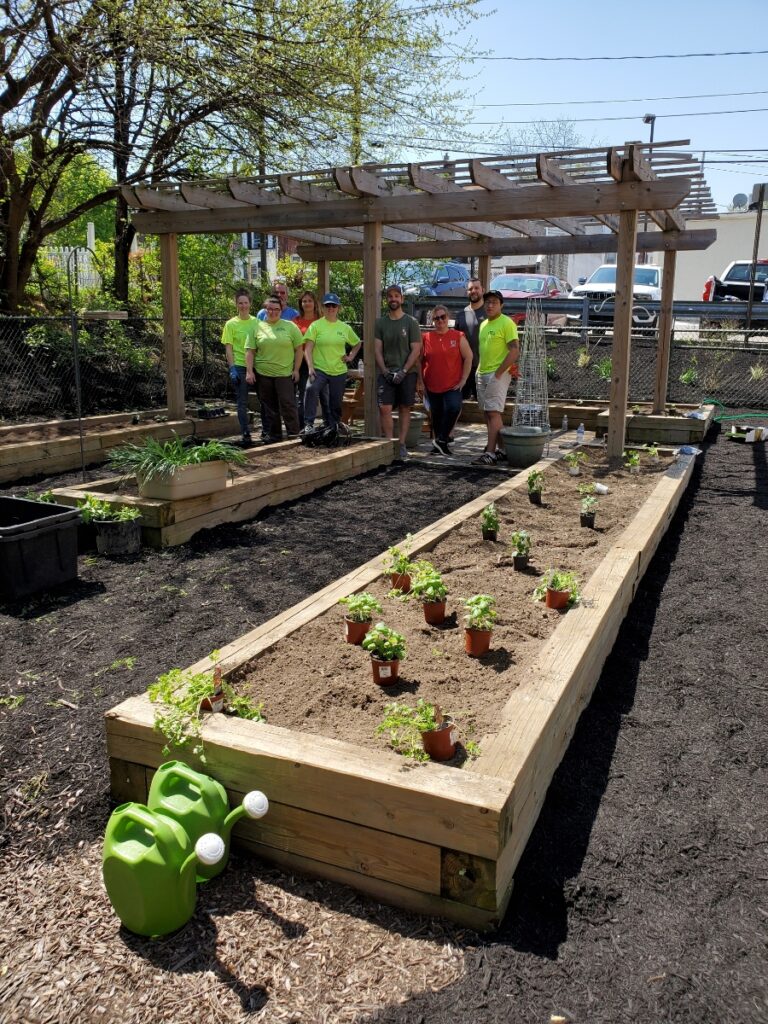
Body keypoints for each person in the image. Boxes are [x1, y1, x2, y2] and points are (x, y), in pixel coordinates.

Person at [374, 284, 422, 461]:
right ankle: (389, 443)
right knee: (384, 407)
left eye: (396, 296)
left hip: (407, 373)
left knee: (404, 407)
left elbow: (416, 349)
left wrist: (403, 371)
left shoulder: (411, 322)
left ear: (402, 299)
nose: (393, 299)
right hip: (386, 372)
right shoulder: (380, 323)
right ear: (387, 299)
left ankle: (401, 444)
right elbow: (377, 349)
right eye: (390, 296)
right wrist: (385, 371)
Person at [246, 295, 303, 441]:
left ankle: (294, 435)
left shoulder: (290, 326)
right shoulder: (256, 327)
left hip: (285, 374)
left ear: (281, 309)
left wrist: (296, 369)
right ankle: (274, 436)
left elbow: (299, 349)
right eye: (269, 309)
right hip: (263, 374)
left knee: (288, 405)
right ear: (265, 309)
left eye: (276, 309)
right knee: (269, 407)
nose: (273, 312)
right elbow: (250, 351)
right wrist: (249, 371)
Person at [473, 289, 519, 466]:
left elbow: (514, 350)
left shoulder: (506, 323)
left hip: (496, 374)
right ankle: (502, 450)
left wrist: (499, 372)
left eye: (494, 302)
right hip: (482, 372)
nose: (490, 305)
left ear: (501, 305)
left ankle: (490, 453)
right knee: (487, 412)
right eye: (487, 302)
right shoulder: (484, 324)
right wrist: (479, 370)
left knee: (493, 412)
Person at [419, 304, 473, 457]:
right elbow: (419, 361)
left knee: (454, 408)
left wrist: (464, 379)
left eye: (443, 317)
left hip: (453, 384)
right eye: (436, 318)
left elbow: (468, 357)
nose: (440, 320)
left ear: (448, 318)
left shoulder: (458, 336)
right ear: (432, 320)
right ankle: (439, 445)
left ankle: (442, 439)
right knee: (436, 414)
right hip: (431, 383)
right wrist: (420, 381)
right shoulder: (426, 337)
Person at [303, 293, 361, 429]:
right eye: (328, 305)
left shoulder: (344, 327)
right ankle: (308, 424)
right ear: (323, 308)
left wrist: (350, 356)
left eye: (333, 305)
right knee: (311, 389)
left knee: (335, 401)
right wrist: (310, 367)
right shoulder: (316, 326)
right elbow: (308, 348)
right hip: (320, 369)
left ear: (338, 308)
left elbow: (357, 343)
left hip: (338, 370)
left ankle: (333, 426)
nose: (331, 308)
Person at [221, 288, 258, 446]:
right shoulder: (231, 324)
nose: (243, 305)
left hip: (257, 365)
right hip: (240, 366)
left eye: (246, 302)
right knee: (242, 402)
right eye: (240, 303)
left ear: (250, 304)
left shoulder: (257, 322)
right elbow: (228, 348)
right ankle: (245, 432)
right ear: (236, 305)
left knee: (265, 399)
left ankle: (268, 430)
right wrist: (232, 368)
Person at [292, 290, 328, 429]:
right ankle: (304, 428)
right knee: (303, 397)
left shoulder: (322, 320)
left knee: (325, 396)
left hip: (319, 362)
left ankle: (328, 426)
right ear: (301, 304)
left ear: (315, 303)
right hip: (301, 363)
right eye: (304, 301)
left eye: (310, 301)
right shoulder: (295, 321)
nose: (307, 303)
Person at [454, 276, 485, 402]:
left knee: (485, 407)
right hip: (465, 369)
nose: (473, 291)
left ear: (482, 290)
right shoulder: (461, 315)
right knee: (458, 404)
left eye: (476, 288)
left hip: (484, 368)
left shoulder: (489, 313)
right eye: (470, 289)